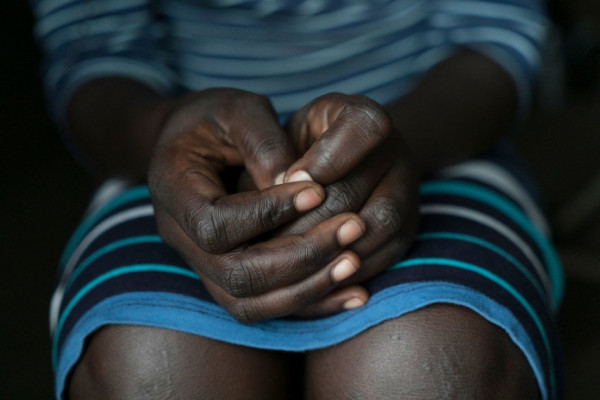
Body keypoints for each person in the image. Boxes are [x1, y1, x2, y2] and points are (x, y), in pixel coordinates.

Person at [32, 0, 564, 398]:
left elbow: (498, 36)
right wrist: (164, 134)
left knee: (428, 364)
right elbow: (94, 55)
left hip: (442, 137)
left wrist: (393, 141)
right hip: (167, 166)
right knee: (150, 363)